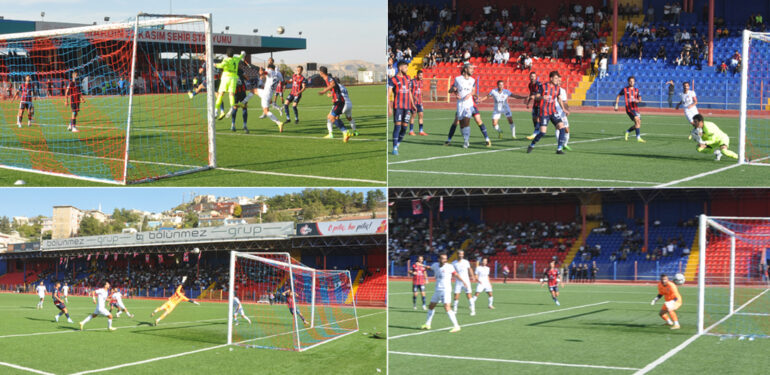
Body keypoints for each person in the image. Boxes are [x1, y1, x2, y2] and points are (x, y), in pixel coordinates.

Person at [445, 64, 492, 149]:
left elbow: (473, 91)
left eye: (473, 68)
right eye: (471, 68)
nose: (472, 70)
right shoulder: (458, 79)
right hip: (460, 105)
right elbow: (451, 90)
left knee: (468, 121)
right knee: (461, 124)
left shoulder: (473, 80)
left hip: (469, 104)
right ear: (465, 69)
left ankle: (467, 141)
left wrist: (470, 94)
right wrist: (455, 92)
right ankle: (465, 139)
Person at [421, 253, 468, 333]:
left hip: (446, 290)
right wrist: (422, 265)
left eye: (445, 258)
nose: (445, 260)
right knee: (431, 306)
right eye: (443, 258)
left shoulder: (449, 267)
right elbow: (430, 268)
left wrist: (463, 281)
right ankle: (428, 324)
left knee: (447, 307)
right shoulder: (435, 265)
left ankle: (456, 326)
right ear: (439, 259)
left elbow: (456, 274)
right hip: (437, 290)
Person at [527, 71, 569, 154]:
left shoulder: (557, 88)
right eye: (556, 78)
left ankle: (559, 149)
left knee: (562, 127)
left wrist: (563, 109)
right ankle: (532, 144)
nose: (557, 80)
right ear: (551, 78)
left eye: (558, 79)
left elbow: (559, 99)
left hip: (553, 111)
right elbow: (536, 97)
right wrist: (542, 97)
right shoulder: (543, 86)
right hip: (544, 112)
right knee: (542, 132)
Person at [319, 67, 351, 142]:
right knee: (332, 117)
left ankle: (345, 132)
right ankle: (345, 133)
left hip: (339, 101)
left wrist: (324, 91)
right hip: (338, 101)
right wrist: (331, 94)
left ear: (321, 73)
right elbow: (335, 88)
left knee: (331, 117)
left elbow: (333, 84)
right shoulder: (328, 79)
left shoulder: (329, 78)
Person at [388, 61, 414, 155]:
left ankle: (397, 144)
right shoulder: (393, 79)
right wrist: (389, 108)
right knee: (397, 127)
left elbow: (409, 92)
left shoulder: (408, 78)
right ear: (400, 68)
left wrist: (413, 104)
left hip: (407, 107)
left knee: (404, 128)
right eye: (405, 67)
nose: (407, 69)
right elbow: (389, 94)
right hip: (398, 107)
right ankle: (394, 147)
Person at [214, 49, 246, 120]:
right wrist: (242, 53)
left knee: (221, 94)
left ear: (227, 54)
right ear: (233, 54)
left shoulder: (226, 60)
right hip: (234, 78)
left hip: (226, 78)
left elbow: (221, 65)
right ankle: (232, 107)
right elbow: (241, 55)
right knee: (231, 94)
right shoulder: (236, 58)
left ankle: (216, 111)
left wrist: (214, 64)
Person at [614, 76, 646, 143]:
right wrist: (616, 105)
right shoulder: (625, 89)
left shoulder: (636, 90)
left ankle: (627, 132)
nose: (632, 82)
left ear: (634, 82)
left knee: (638, 124)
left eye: (633, 81)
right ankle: (638, 138)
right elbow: (618, 96)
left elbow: (640, 99)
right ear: (628, 82)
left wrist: (638, 101)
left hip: (636, 108)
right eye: (630, 81)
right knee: (637, 120)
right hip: (629, 108)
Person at [451, 250, 476, 316]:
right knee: (456, 296)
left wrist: (472, 276)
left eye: (462, 254)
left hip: (466, 281)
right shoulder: (454, 263)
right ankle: (455, 310)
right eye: (460, 254)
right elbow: (452, 272)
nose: (461, 255)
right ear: (457, 254)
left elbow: (469, 269)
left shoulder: (466, 262)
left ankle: (473, 310)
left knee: (469, 296)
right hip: (458, 282)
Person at [408, 70, 428, 136]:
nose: (421, 76)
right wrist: (413, 97)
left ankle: (421, 131)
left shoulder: (422, 81)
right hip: (413, 102)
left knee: (421, 115)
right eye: (420, 75)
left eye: (422, 75)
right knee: (413, 115)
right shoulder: (412, 81)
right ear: (417, 75)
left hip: (419, 102)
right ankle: (411, 131)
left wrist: (422, 101)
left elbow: (421, 91)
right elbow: (409, 91)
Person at [525, 72, 543, 140]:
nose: (532, 77)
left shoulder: (538, 84)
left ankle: (535, 133)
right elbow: (531, 93)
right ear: (529, 77)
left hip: (541, 103)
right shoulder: (530, 85)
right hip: (535, 103)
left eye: (534, 76)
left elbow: (539, 94)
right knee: (534, 118)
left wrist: (533, 96)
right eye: (531, 76)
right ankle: (538, 131)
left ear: (536, 77)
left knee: (538, 118)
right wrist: (528, 102)